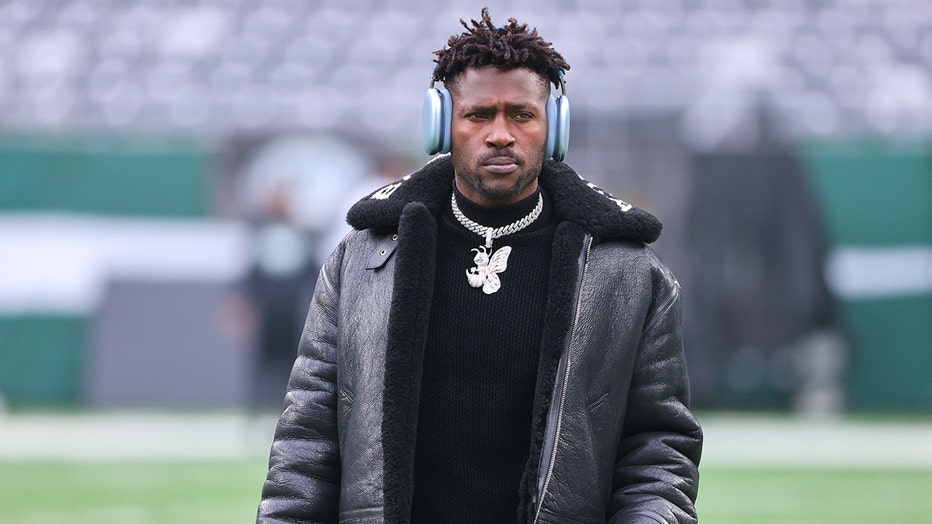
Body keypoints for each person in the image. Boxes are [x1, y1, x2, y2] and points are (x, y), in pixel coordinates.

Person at [257, 8, 702, 524]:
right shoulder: (362, 259)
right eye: (478, 114)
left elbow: (658, 447)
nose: (500, 134)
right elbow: (306, 438)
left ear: (554, 125)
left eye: (521, 114)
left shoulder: (627, 272)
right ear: (442, 123)